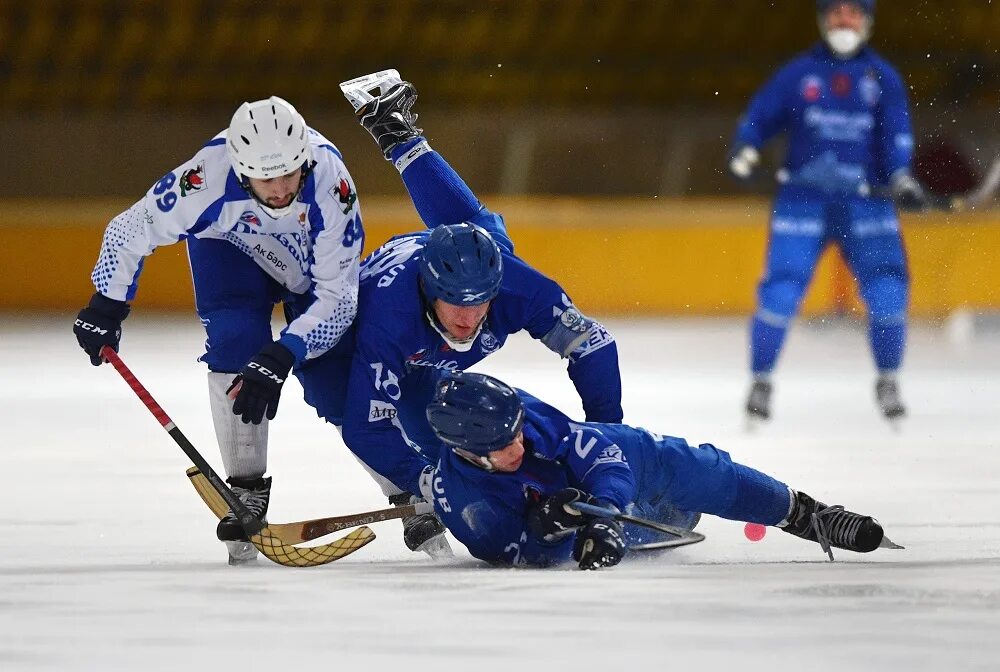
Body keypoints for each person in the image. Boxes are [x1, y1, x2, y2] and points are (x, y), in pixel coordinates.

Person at [336, 71, 623, 556]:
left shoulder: (516, 284)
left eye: (481, 303)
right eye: (456, 305)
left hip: (463, 264)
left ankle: (397, 132)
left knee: (483, 232)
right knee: (372, 402)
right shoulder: (388, 325)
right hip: (379, 332)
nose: (469, 319)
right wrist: (429, 485)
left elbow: (592, 345)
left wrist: (607, 434)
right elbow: (367, 427)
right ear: (429, 292)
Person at [72, 96, 365, 564]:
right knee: (235, 343)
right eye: (265, 179)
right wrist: (107, 304)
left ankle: (402, 481)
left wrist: (285, 353)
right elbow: (131, 229)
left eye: (290, 174)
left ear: (305, 161)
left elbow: (339, 297)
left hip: (310, 263)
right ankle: (246, 488)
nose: (280, 190)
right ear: (239, 166)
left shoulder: (333, 184)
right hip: (231, 249)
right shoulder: (205, 177)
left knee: (337, 375)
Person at [422, 370, 898, 569]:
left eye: (519, 431)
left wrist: (604, 509)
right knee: (675, 521)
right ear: (470, 455)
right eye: (505, 446)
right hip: (594, 524)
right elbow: (517, 553)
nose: (519, 443)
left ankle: (804, 514)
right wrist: (554, 535)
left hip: (611, 475)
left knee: (696, 469)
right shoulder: (472, 509)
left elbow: (600, 456)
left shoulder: (515, 413)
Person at [727, 0, 928, 423]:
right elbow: (761, 114)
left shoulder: (882, 77)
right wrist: (746, 144)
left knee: (888, 288)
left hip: (866, 202)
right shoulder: (799, 73)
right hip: (803, 199)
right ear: (822, 20)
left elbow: (896, 134)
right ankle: (761, 382)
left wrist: (900, 175)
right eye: (836, 13)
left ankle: (888, 378)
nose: (844, 21)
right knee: (781, 288)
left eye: (853, 13)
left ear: (868, 22)